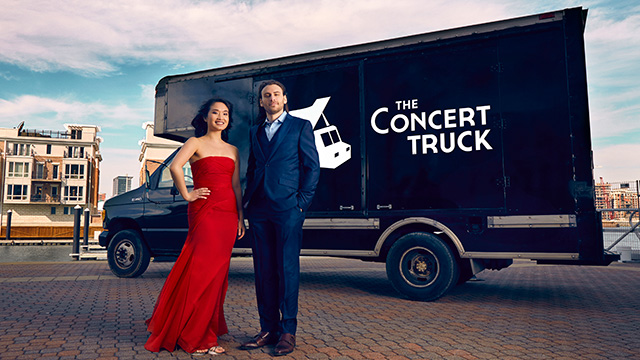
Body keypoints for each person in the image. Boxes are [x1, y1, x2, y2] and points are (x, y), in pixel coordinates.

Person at [144, 98, 245, 356]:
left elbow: (235, 186)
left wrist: (240, 216)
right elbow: (176, 167)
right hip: (205, 212)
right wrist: (187, 194)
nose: (220, 117)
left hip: (228, 214)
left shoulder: (233, 150)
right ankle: (194, 336)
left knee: (218, 274)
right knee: (201, 271)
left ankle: (203, 328)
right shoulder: (194, 143)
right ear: (205, 117)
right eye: (215, 112)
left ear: (228, 120)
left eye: (225, 113)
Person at [241, 80, 320, 356]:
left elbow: (312, 167)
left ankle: (288, 331)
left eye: (276, 94)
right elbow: (253, 168)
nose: (271, 98)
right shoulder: (255, 131)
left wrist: (301, 203)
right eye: (266, 95)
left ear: (285, 99)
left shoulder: (300, 127)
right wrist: (248, 203)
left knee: (287, 269)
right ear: (261, 102)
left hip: (288, 208)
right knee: (263, 270)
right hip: (259, 209)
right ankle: (268, 329)